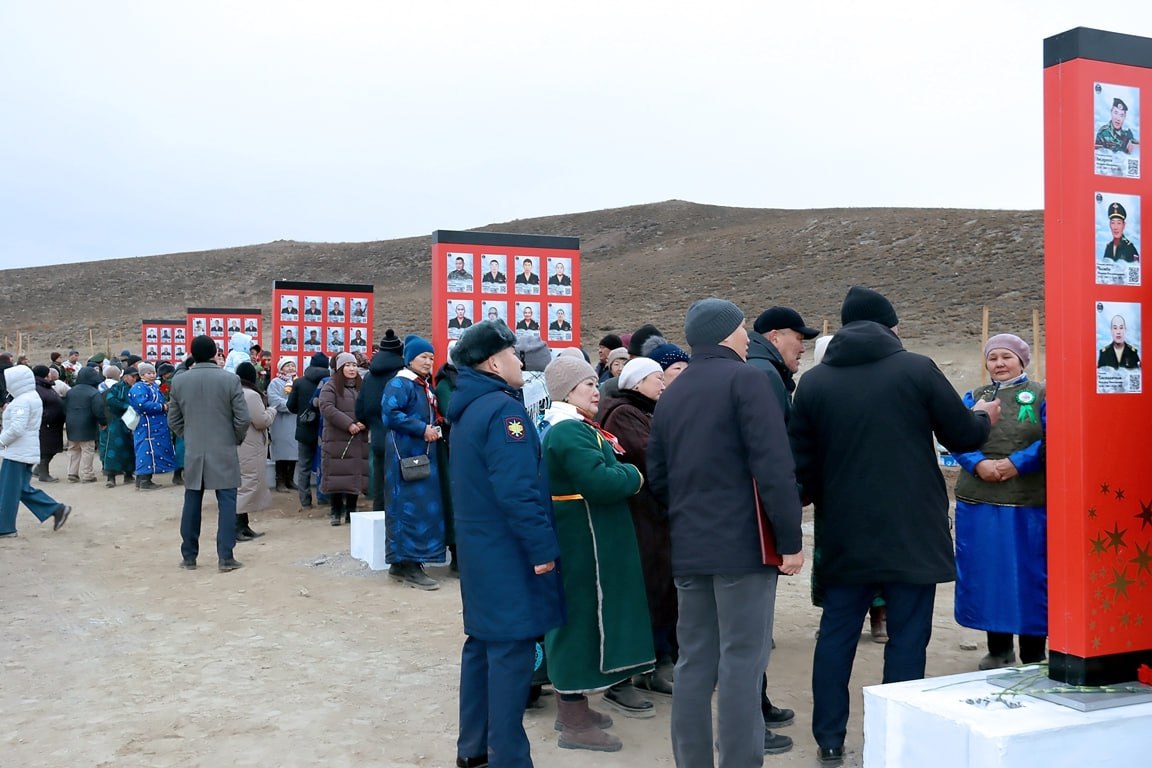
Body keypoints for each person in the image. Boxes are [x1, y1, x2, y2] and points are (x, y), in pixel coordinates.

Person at [789, 286, 999, 763]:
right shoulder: (916, 368)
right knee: (907, 636)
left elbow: (801, 467)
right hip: (912, 528)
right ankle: (894, 738)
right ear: (890, 326)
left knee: (837, 634)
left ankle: (829, 740)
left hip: (844, 530)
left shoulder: (815, 383)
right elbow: (962, 435)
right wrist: (984, 417)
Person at [648, 298, 804, 764]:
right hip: (744, 548)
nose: (747, 337)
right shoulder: (746, 379)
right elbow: (773, 466)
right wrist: (790, 540)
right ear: (724, 332)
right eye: (741, 328)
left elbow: (658, 477)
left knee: (695, 661)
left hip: (690, 548)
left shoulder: (672, 392)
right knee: (741, 662)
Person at [445, 320, 564, 768]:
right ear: (494, 363)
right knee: (512, 653)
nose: (520, 362)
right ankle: (508, 758)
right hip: (507, 552)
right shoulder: (503, 412)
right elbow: (517, 490)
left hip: (481, 549)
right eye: (514, 354)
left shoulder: (469, 407)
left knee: (481, 647)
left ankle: (474, 750)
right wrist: (541, 548)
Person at [539, 355, 653, 750]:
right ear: (568, 391)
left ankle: (573, 709)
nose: (596, 391)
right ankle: (573, 722)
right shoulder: (570, 430)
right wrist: (633, 474)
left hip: (586, 538)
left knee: (581, 618)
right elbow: (600, 482)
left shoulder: (574, 426)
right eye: (588, 384)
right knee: (578, 621)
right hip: (582, 542)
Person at [953, 334, 1048, 670]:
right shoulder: (974, 397)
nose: (999, 364)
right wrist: (978, 463)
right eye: (993, 358)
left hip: (1027, 503)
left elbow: (1051, 438)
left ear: (1022, 360)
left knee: (1029, 575)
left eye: (1007, 357)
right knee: (990, 573)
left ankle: (1034, 651)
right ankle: (999, 648)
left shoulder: (1041, 395)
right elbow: (957, 435)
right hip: (980, 501)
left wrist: (1015, 463)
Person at [599, 357, 675, 699]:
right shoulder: (624, 414)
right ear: (637, 382)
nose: (663, 384)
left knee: (659, 588)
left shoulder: (644, 410)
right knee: (647, 589)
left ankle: (656, 662)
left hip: (653, 513)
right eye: (657, 378)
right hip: (641, 513)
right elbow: (649, 455)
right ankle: (642, 668)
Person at [168, 335, 250, 572]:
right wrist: (233, 438)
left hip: (195, 450)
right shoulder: (230, 379)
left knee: (192, 502)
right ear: (215, 353)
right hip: (224, 449)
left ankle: (189, 556)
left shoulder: (180, 381)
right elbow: (242, 418)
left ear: (192, 354)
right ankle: (225, 557)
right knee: (227, 503)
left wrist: (190, 436)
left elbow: (173, 419)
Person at [382, 336, 446, 588]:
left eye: (431, 358)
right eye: (423, 357)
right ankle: (407, 563)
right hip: (405, 454)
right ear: (410, 359)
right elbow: (390, 414)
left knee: (420, 507)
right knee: (407, 506)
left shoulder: (423, 385)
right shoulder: (400, 383)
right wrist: (421, 428)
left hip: (422, 455)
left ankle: (403, 563)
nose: (429, 362)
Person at [0, 364, 72, 537]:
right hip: (25, 451)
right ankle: (56, 509)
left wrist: (1, 442)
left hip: (17, 452)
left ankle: (6, 528)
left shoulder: (22, 401)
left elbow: (17, 428)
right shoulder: (30, 397)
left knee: (8, 491)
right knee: (20, 488)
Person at [318, 353, 370, 527]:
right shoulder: (330, 385)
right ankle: (335, 511)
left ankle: (351, 511)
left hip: (358, 439)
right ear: (340, 368)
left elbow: (369, 407)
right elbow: (326, 407)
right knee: (337, 475)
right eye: (347, 365)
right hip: (336, 439)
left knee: (354, 475)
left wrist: (364, 422)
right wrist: (348, 424)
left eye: (354, 365)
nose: (352, 369)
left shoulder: (362, 386)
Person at [356, 331, 405, 514]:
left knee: (379, 483)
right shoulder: (404, 375)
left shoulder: (369, 377)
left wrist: (372, 423)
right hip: (402, 439)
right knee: (401, 483)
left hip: (377, 438)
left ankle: (379, 516)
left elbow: (360, 410)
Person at [748, 306, 820, 421]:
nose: (803, 349)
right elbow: (770, 430)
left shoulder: (754, 366)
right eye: (799, 339)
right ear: (774, 338)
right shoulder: (766, 375)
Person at [235, 362, 276, 541]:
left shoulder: (235, 391)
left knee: (242, 483)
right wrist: (272, 410)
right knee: (247, 484)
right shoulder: (250, 395)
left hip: (239, 444)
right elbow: (261, 421)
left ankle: (244, 526)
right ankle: (237, 527)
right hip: (249, 445)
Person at [287, 352, 329, 511]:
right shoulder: (330, 383)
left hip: (304, 429)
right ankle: (324, 498)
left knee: (304, 466)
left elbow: (291, 406)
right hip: (325, 430)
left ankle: (305, 502)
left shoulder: (299, 382)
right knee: (325, 464)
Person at [128, 362, 177, 490]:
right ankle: (144, 480)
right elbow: (142, 405)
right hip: (146, 426)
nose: (152, 375)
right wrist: (162, 407)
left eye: (153, 373)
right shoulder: (138, 388)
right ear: (141, 375)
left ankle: (142, 479)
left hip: (157, 425)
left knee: (155, 450)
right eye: (148, 373)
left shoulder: (154, 386)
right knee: (146, 451)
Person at [64, 366, 106, 483]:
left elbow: (65, 408)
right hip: (88, 424)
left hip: (71, 424)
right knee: (87, 449)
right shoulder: (94, 393)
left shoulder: (71, 391)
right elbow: (98, 410)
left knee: (73, 449)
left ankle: (72, 472)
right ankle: (87, 474)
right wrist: (103, 422)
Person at [101, 366, 137, 487]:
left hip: (133, 422)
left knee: (130, 448)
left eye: (136, 377)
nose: (134, 379)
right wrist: (127, 406)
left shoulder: (137, 388)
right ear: (125, 377)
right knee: (114, 449)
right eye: (132, 376)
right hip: (117, 421)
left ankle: (129, 474)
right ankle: (111, 477)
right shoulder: (116, 387)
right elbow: (110, 400)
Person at [266, 358, 299, 493]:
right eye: (287, 366)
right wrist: (290, 405)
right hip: (281, 422)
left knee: (294, 452)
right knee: (282, 452)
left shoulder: (298, 382)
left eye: (292, 365)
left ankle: (290, 480)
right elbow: (273, 400)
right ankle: (280, 481)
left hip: (295, 421)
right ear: (281, 368)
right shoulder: (275, 383)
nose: (291, 368)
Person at [31, 366, 65, 483]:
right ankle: (44, 474)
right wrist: (47, 417)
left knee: (52, 448)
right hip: (46, 424)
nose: (51, 374)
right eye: (49, 373)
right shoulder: (38, 388)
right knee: (47, 450)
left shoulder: (46, 386)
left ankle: (38, 470)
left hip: (53, 423)